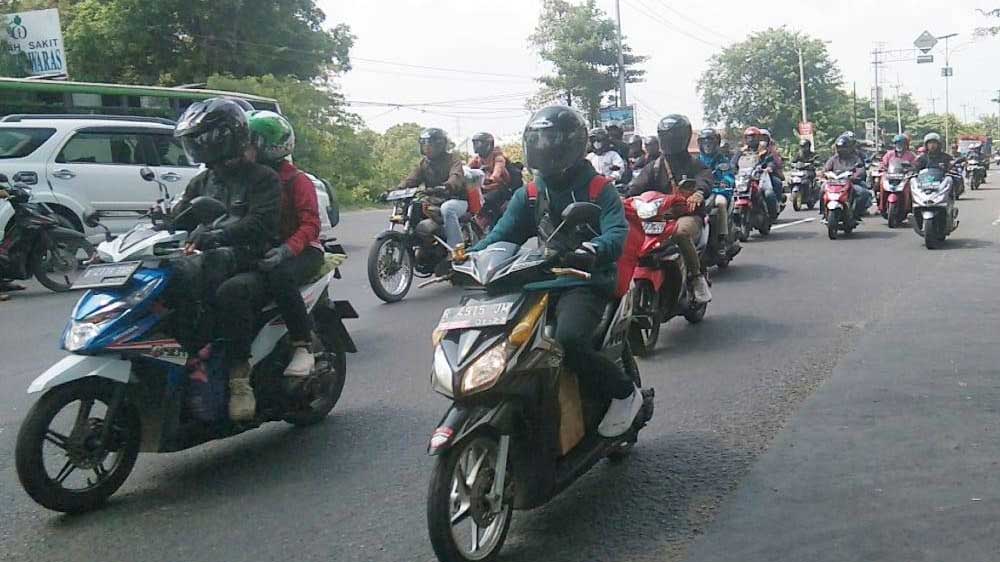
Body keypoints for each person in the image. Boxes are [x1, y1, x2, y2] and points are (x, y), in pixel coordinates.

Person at [466, 105, 642, 437]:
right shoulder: (531, 193)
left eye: (552, 141)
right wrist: (468, 257)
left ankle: (624, 393)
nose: (545, 148)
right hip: (538, 278)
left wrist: (592, 250)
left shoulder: (599, 189)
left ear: (573, 144)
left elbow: (616, 233)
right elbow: (501, 234)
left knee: (569, 340)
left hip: (584, 280)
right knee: (501, 339)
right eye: (539, 141)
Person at [172, 98, 281, 421]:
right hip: (210, 261)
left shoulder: (262, 177)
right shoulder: (202, 181)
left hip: (253, 261)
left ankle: (239, 379)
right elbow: (181, 214)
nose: (196, 146)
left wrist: (219, 235)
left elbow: (260, 223)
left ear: (224, 137)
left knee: (230, 293)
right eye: (192, 140)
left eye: (201, 138)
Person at [246, 110, 324, 378]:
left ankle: (302, 344)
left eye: (251, 141)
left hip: (303, 251)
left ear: (269, 146)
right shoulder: (243, 178)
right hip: (262, 249)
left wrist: (286, 250)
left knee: (279, 276)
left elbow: (311, 225)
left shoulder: (297, 180)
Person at [628, 114, 713, 304]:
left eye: (674, 136)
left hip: (686, 214)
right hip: (656, 218)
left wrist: (699, 193)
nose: (670, 141)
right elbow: (635, 187)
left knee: (680, 233)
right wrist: (621, 195)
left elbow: (705, 179)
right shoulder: (654, 166)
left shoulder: (694, 164)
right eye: (666, 136)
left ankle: (696, 278)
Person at [398, 128, 467, 248]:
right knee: (413, 206)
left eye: (430, 144)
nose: (427, 148)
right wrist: (396, 190)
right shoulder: (424, 163)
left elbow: (456, 176)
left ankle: (457, 249)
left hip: (455, 199)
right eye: (424, 144)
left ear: (440, 145)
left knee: (447, 209)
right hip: (433, 200)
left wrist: (447, 186)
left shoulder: (453, 159)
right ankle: (422, 244)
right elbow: (411, 180)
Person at [696, 128, 739, 261]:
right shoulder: (696, 161)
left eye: (710, 141)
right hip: (700, 193)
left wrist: (725, 182)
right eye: (704, 141)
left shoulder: (722, 160)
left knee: (721, 203)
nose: (707, 144)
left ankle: (721, 239)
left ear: (716, 142)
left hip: (717, 192)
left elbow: (728, 176)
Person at [822, 133, 872, 220]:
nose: (841, 150)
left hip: (851, 183)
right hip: (834, 183)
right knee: (822, 189)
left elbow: (860, 169)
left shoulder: (855, 158)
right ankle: (823, 212)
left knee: (863, 193)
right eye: (839, 147)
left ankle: (856, 213)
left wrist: (854, 176)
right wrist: (825, 175)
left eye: (844, 147)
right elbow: (826, 169)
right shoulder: (834, 159)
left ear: (849, 148)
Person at [468, 131, 512, 224]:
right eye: (475, 143)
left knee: (485, 201)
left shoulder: (498, 158)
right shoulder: (477, 159)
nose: (476, 146)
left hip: (499, 188)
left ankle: (492, 222)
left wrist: (491, 178)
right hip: (483, 188)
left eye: (479, 143)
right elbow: (466, 170)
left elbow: (497, 172)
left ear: (489, 144)